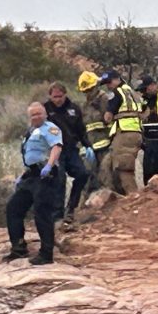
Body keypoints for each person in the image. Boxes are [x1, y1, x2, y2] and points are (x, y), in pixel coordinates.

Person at [4, 102, 62, 265]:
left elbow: (56, 147)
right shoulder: (30, 131)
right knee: (13, 208)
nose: (36, 117)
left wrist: (50, 165)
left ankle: (46, 254)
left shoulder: (50, 128)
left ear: (45, 114)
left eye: (39, 113)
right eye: (33, 115)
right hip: (31, 176)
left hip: (45, 175)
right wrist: (23, 175)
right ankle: (18, 247)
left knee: (42, 214)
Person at [44, 81, 93, 223]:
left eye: (60, 96)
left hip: (71, 149)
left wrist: (87, 146)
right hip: (54, 151)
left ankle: (71, 208)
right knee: (59, 179)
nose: (58, 99)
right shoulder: (45, 109)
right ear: (50, 96)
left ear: (65, 95)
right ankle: (57, 215)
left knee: (82, 174)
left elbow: (81, 130)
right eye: (55, 97)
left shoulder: (74, 109)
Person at [99, 70, 143, 195]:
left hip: (125, 133)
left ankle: (134, 198)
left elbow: (107, 117)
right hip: (136, 132)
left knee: (124, 168)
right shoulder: (132, 92)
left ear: (118, 79)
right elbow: (144, 111)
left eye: (109, 82)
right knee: (109, 164)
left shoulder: (116, 93)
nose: (108, 86)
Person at [78, 70, 111, 195]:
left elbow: (111, 121)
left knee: (106, 176)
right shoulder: (85, 106)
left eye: (90, 89)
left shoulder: (104, 100)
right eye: (85, 91)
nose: (88, 93)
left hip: (106, 146)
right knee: (88, 179)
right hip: (91, 148)